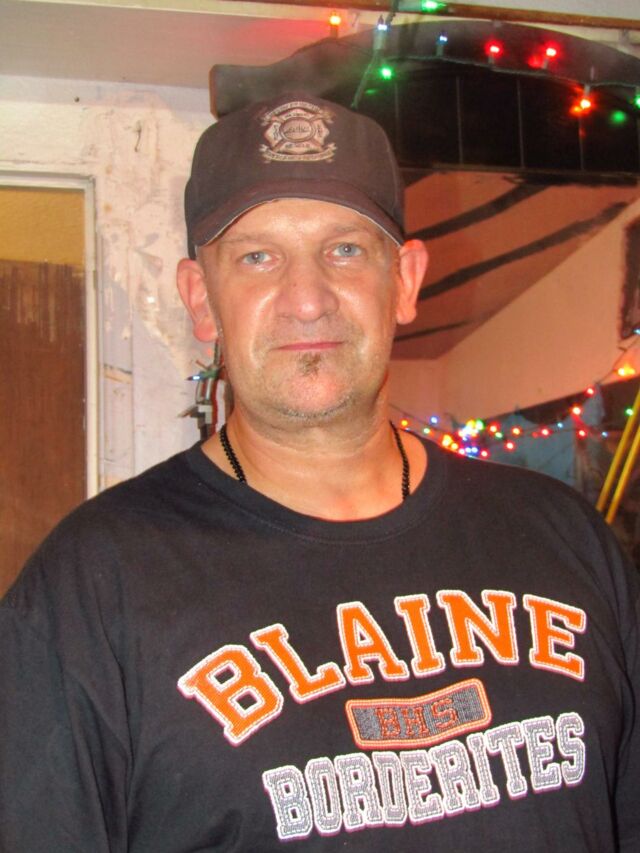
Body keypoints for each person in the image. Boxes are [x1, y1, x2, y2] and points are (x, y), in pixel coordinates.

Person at [0, 93, 638, 853]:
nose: (307, 300)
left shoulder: (564, 539)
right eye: (258, 257)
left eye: (345, 250)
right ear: (201, 299)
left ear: (405, 281)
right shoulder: (91, 588)